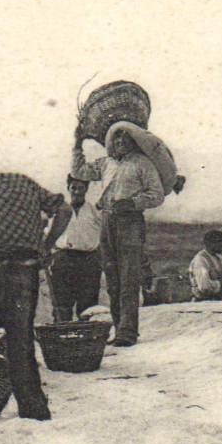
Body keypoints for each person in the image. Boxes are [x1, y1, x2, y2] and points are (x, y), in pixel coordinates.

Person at [0, 155, 71, 421]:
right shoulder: (21, 181)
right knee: (21, 345)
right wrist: (46, 244)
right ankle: (34, 410)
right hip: (24, 270)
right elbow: (64, 210)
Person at [72, 123, 166, 347]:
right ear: (110, 142)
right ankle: (118, 327)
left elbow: (157, 194)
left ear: (134, 142)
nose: (120, 143)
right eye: (116, 139)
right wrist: (77, 144)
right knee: (113, 278)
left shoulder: (142, 164)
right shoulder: (106, 163)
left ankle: (128, 331)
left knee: (129, 277)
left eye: (125, 140)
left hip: (130, 222)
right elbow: (79, 172)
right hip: (107, 220)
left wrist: (132, 203)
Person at [49, 172, 103, 323]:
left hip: (88, 260)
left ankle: (85, 340)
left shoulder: (94, 211)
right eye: (73, 188)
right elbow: (48, 232)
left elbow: (104, 234)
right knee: (61, 304)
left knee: (88, 305)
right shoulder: (59, 211)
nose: (77, 192)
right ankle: (61, 338)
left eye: (81, 188)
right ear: (68, 188)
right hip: (63, 259)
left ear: (86, 189)